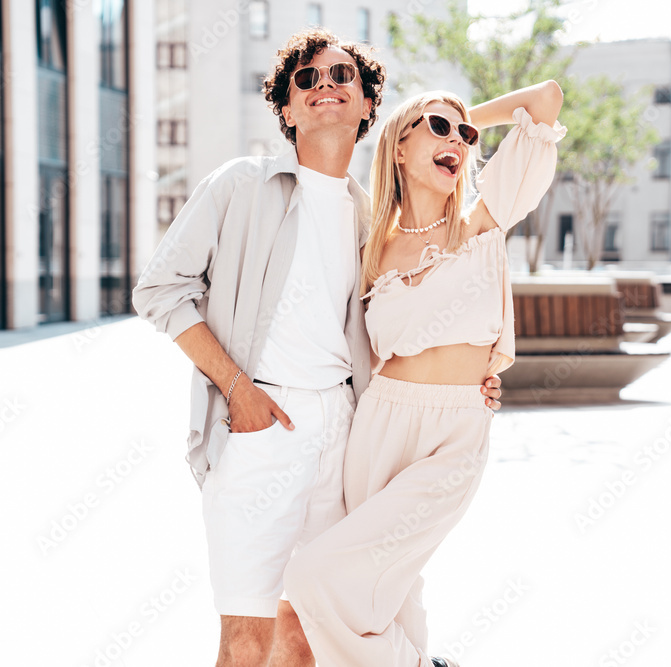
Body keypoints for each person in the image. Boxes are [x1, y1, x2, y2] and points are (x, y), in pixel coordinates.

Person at [131, 29, 503, 667]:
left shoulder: (373, 219)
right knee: (247, 641)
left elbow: (403, 328)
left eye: (340, 75)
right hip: (259, 425)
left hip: (347, 434)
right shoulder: (241, 185)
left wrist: (470, 380)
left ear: (366, 107)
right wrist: (238, 391)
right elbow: (160, 290)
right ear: (287, 107)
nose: (323, 84)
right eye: (305, 79)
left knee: (314, 632)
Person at [283, 82, 567, 667]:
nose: (459, 141)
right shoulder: (368, 246)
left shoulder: (482, 224)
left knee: (313, 576)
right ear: (399, 147)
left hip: (456, 431)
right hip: (381, 421)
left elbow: (546, 100)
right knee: (391, 596)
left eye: (465, 136)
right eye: (439, 128)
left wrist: (464, 115)